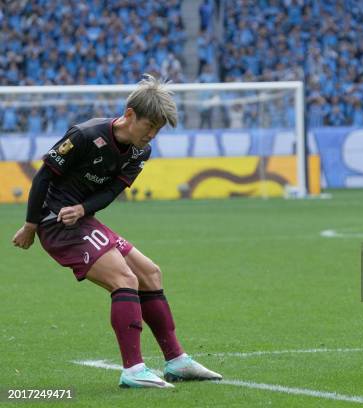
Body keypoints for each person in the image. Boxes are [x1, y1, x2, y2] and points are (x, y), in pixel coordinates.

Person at [12, 74, 222, 389]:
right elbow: (43, 177)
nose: (152, 135)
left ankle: (176, 361)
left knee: (149, 273)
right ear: (129, 115)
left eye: (158, 130)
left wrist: (83, 209)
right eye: (149, 126)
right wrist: (31, 224)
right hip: (56, 222)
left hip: (82, 219)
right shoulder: (85, 135)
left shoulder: (140, 152)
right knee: (124, 279)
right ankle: (133, 370)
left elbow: (111, 192)